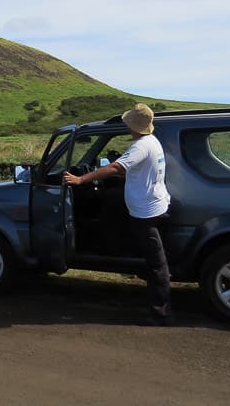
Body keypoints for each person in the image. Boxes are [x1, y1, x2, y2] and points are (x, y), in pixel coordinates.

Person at [62, 103, 174, 326]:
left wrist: (81, 180)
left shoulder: (141, 146)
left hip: (146, 212)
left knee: (157, 265)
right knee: (151, 258)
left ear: (135, 125)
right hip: (152, 206)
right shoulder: (152, 142)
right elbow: (139, 172)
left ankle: (160, 313)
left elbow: (116, 168)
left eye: (129, 122)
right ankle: (151, 300)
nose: (126, 126)